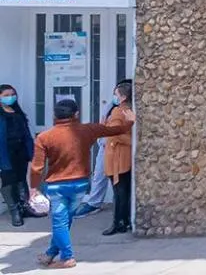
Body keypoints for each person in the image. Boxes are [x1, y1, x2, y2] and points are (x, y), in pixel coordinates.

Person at [28, 98, 130, 270]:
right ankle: (50, 253)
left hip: (57, 186)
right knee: (65, 219)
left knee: (60, 221)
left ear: (55, 115)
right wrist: (131, 120)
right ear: (76, 114)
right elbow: (117, 129)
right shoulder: (88, 130)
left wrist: (33, 188)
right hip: (81, 184)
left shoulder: (44, 137)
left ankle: (67, 257)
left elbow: (36, 168)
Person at [101, 81, 134, 236]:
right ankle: (125, 221)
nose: (114, 97)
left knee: (119, 192)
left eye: (116, 95)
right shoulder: (130, 111)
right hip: (124, 157)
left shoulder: (118, 112)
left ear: (122, 97)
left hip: (117, 157)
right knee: (124, 191)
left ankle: (118, 222)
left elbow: (115, 132)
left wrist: (105, 129)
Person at [0, 85, 35, 227]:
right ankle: (14, 211)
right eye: (6, 95)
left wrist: (31, 152)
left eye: (13, 94)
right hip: (4, 153)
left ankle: (24, 207)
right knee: (8, 181)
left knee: (21, 179)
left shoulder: (17, 112)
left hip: (20, 151)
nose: (11, 97)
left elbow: (26, 134)